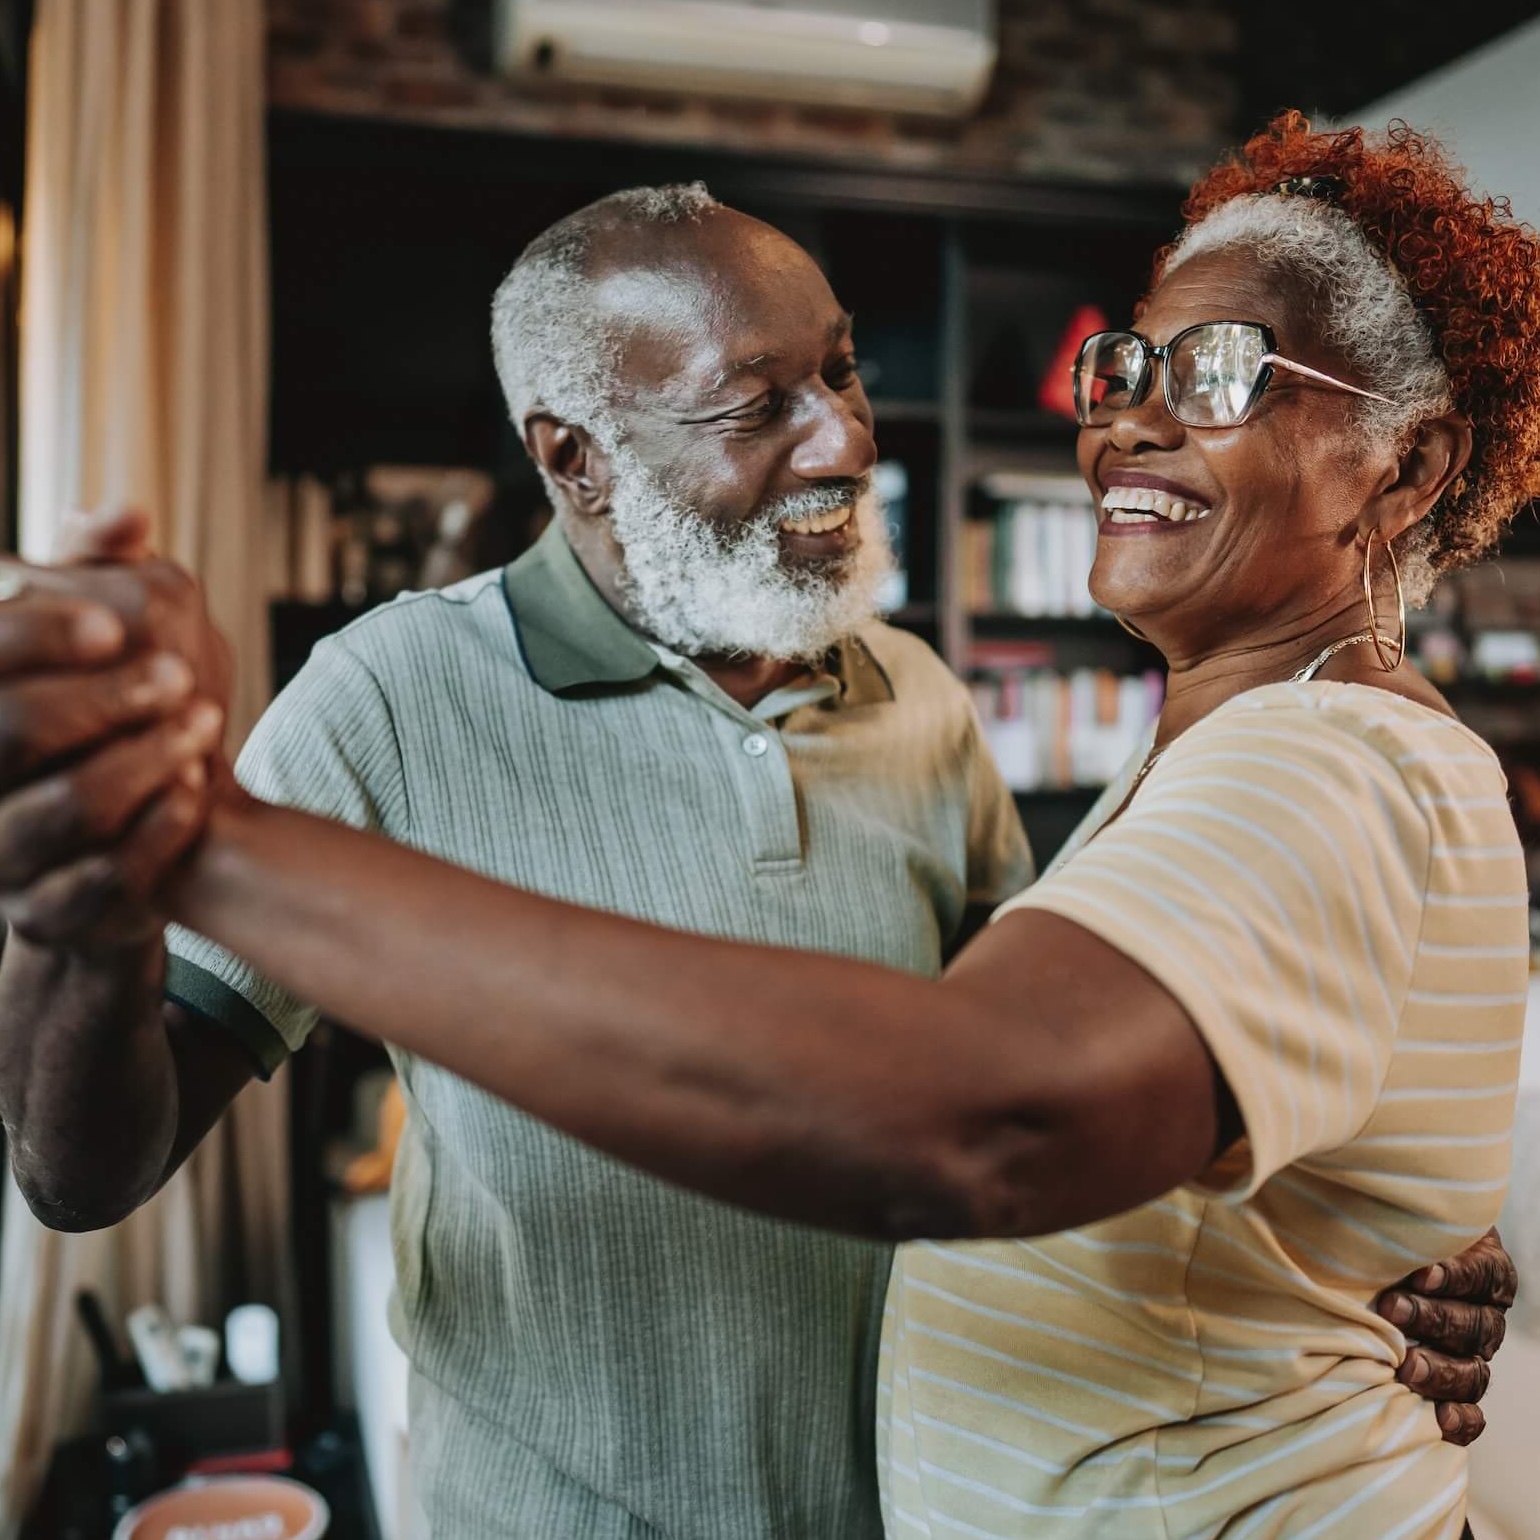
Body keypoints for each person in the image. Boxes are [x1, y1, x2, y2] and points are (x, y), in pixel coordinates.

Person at [0, 146, 1518, 1537]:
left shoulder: (921, 698)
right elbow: (83, 1172)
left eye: (847, 374)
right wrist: (97, 895)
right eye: (756, 405)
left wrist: (1348, 1256)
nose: (843, 441)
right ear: (575, 457)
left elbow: (1027, 1086)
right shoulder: (386, 699)